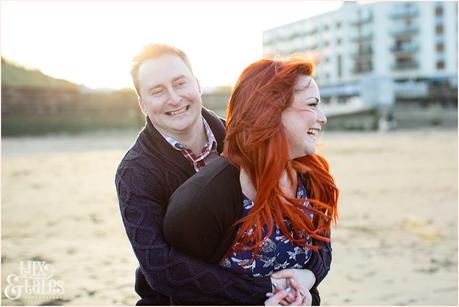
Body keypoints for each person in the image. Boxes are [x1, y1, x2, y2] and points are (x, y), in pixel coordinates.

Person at [115, 44, 329, 305]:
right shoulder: (136, 171)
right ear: (143, 105)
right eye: (157, 91)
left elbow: (307, 233)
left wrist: (305, 277)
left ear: (197, 85)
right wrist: (262, 291)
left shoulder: (246, 140)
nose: (174, 98)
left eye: (180, 84)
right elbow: (160, 267)